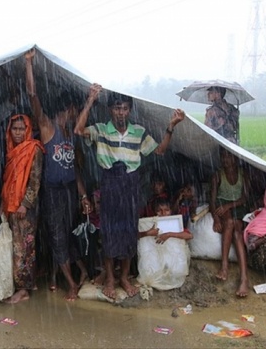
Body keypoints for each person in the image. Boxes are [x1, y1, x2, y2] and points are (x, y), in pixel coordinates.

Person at [74, 83, 185, 300]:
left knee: (127, 231)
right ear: (110, 110)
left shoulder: (139, 132)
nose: (121, 112)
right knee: (109, 232)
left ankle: (124, 277)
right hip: (110, 184)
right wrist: (90, 101)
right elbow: (78, 130)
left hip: (130, 185)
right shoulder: (101, 129)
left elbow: (160, 151)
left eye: (125, 108)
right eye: (117, 108)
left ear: (130, 110)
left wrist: (171, 126)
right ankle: (109, 279)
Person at [25, 49, 91, 301]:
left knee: (70, 232)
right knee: (57, 235)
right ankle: (71, 284)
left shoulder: (71, 134)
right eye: (78, 110)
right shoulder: (47, 126)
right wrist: (29, 64)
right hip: (52, 192)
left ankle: (76, 274)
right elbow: (32, 95)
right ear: (71, 108)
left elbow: (74, 169)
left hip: (68, 192)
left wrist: (83, 196)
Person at [0, 114, 44, 304]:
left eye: (21, 129)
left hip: (24, 208)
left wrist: (24, 204)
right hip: (11, 205)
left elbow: (35, 181)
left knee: (23, 248)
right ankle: (24, 283)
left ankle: (23, 289)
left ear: (28, 130)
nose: (17, 133)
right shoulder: (12, 150)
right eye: (14, 129)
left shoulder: (33, 149)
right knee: (17, 246)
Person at [210, 147, 251, 297]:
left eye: (229, 157)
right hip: (222, 207)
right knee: (230, 224)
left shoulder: (243, 173)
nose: (226, 160)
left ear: (235, 158)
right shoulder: (217, 175)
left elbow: (245, 197)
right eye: (223, 157)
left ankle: (243, 278)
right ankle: (225, 266)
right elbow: (212, 201)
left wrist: (230, 205)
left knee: (237, 232)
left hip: (238, 206)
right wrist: (215, 218)